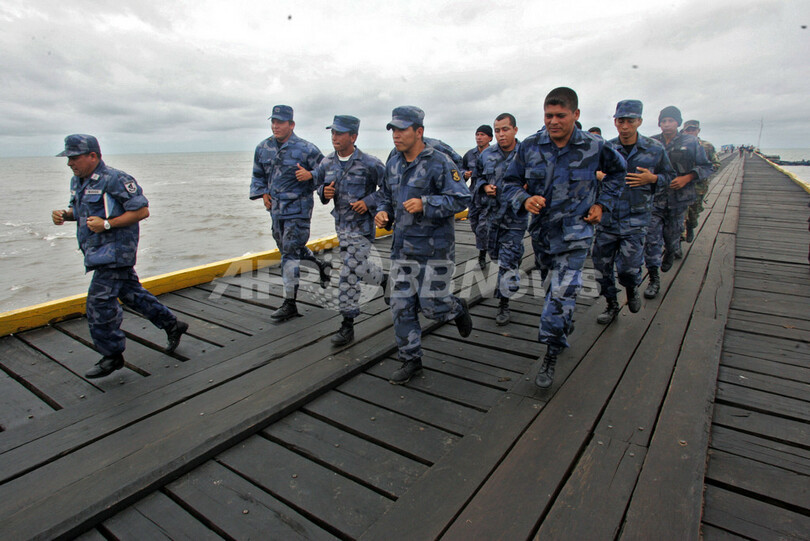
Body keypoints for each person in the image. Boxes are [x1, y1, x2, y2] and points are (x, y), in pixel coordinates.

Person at [503, 87, 626, 389]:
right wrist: (524, 199)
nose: (553, 121)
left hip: (576, 236)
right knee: (551, 291)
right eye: (548, 116)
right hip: (543, 236)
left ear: (576, 115)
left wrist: (601, 205)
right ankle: (562, 324)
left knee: (559, 297)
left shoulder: (594, 147)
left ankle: (551, 353)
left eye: (560, 115)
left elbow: (618, 174)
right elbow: (509, 182)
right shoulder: (530, 146)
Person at [51, 134, 188, 379]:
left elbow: (142, 211)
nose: (70, 163)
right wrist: (65, 214)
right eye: (68, 158)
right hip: (96, 252)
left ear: (93, 156)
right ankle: (172, 324)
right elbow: (83, 211)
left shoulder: (115, 179)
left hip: (115, 252)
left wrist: (107, 224)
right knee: (132, 294)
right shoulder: (78, 181)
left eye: (74, 158)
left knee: (99, 303)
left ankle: (112, 355)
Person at [374, 106, 473, 385]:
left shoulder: (439, 162)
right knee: (400, 305)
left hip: (434, 251)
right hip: (402, 250)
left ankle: (456, 307)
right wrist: (382, 212)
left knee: (432, 306)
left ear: (419, 131)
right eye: (393, 129)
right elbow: (385, 196)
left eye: (402, 129)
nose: (396, 135)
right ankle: (410, 359)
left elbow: (461, 198)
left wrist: (426, 203)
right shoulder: (392, 163)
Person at [306, 115, 386, 345]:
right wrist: (324, 193)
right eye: (332, 133)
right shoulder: (327, 162)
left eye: (340, 133)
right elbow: (319, 188)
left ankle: (347, 324)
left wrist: (369, 201)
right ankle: (385, 281)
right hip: (341, 227)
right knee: (358, 269)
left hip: (362, 229)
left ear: (353, 136)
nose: (334, 137)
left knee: (348, 274)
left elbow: (389, 189)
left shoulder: (370, 163)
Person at [593, 100, 675, 324]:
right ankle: (611, 304)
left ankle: (631, 288)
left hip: (636, 220)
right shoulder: (607, 149)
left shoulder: (654, 149)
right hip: (608, 219)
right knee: (601, 267)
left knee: (628, 269)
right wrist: (598, 177)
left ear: (639, 121)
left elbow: (670, 176)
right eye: (621, 120)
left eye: (630, 121)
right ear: (615, 122)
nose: (625, 126)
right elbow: (590, 176)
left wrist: (653, 178)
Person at [249, 105, 329, 321]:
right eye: (273, 122)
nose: (275, 126)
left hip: (298, 211)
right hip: (275, 211)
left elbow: (327, 173)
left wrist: (310, 174)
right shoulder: (263, 147)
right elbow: (258, 175)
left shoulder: (307, 149)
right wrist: (262, 192)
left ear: (291, 125)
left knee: (289, 254)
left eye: (280, 122)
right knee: (287, 248)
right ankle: (321, 266)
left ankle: (290, 303)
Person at [645, 106, 712, 298]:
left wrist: (688, 177)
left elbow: (706, 166)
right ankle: (653, 279)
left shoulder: (691, 142)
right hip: (655, 199)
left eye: (671, 121)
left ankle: (671, 250)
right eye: (663, 121)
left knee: (673, 235)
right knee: (651, 240)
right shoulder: (652, 142)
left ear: (678, 123)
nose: (667, 125)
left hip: (679, 198)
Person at [473, 113, 524, 325]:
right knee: (495, 255)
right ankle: (511, 264)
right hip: (492, 216)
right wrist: (484, 187)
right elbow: (477, 178)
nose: (501, 134)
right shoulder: (486, 155)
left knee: (507, 262)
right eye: (497, 130)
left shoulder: (526, 154)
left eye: (505, 129)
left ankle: (504, 302)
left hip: (515, 218)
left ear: (515, 130)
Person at [681, 119, 720, 243]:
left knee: (693, 213)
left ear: (698, 131)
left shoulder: (706, 146)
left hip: (698, 187)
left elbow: (716, 164)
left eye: (693, 129)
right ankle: (677, 243)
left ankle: (691, 226)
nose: (690, 132)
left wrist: (698, 172)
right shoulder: (678, 145)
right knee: (680, 215)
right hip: (680, 187)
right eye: (688, 130)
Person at [463, 125, 494, 269]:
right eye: (477, 134)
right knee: (475, 225)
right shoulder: (469, 154)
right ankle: (488, 244)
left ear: (490, 138)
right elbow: (459, 172)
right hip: (473, 196)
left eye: (482, 134)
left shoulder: (494, 154)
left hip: (488, 197)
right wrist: (465, 174)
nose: (479, 137)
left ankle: (482, 257)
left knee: (483, 227)